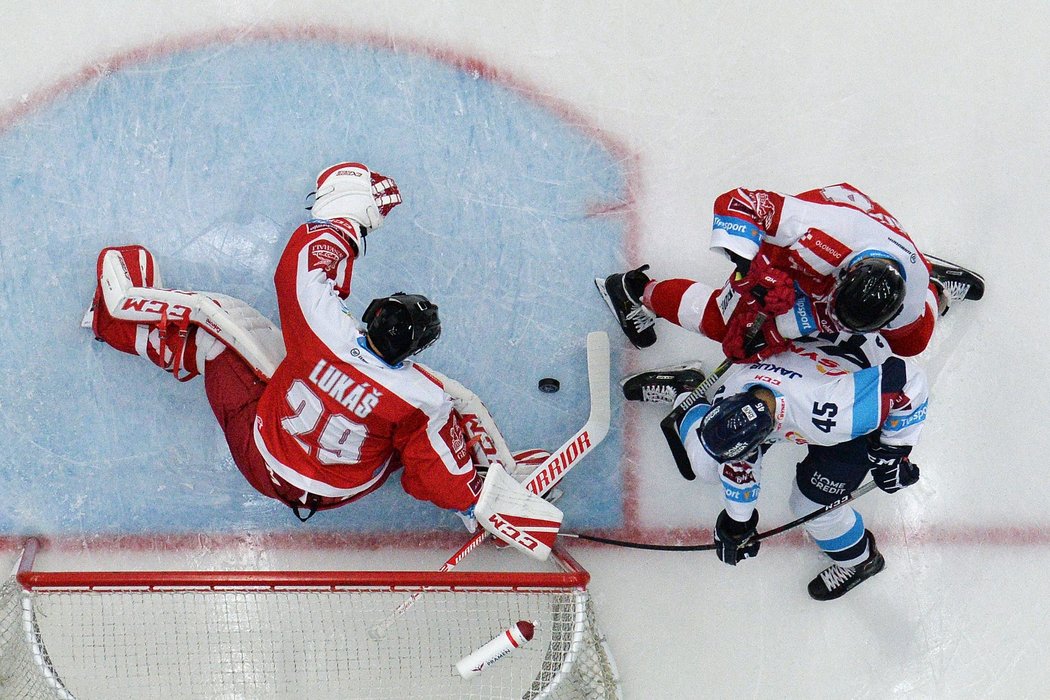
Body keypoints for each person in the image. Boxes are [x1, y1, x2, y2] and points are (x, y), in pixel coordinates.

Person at [84, 162, 554, 541]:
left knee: (220, 328)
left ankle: (107, 321)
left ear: (370, 315)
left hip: (265, 455)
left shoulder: (321, 329)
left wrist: (346, 216)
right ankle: (489, 481)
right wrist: (472, 501)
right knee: (430, 437)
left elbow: (305, 258)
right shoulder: (419, 397)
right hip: (338, 492)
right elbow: (427, 473)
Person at [620, 331, 927, 600]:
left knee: (810, 505)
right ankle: (687, 391)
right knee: (704, 463)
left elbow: (912, 382)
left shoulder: (835, 413)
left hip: (846, 381)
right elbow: (738, 466)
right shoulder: (737, 387)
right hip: (804, 370)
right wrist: (738, 521)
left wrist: (892, 449)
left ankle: (861, 561)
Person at [597, 183, 983, 360]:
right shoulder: (814, 230)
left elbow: (830, 316)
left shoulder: (908, 301)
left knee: (911, 344)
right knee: (721, 321)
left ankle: (933, 281)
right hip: (836, 223)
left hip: (886, 251)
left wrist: (777, 330)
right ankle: (635, 291)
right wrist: (753, 271)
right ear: (846, 274)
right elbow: (738, 201)